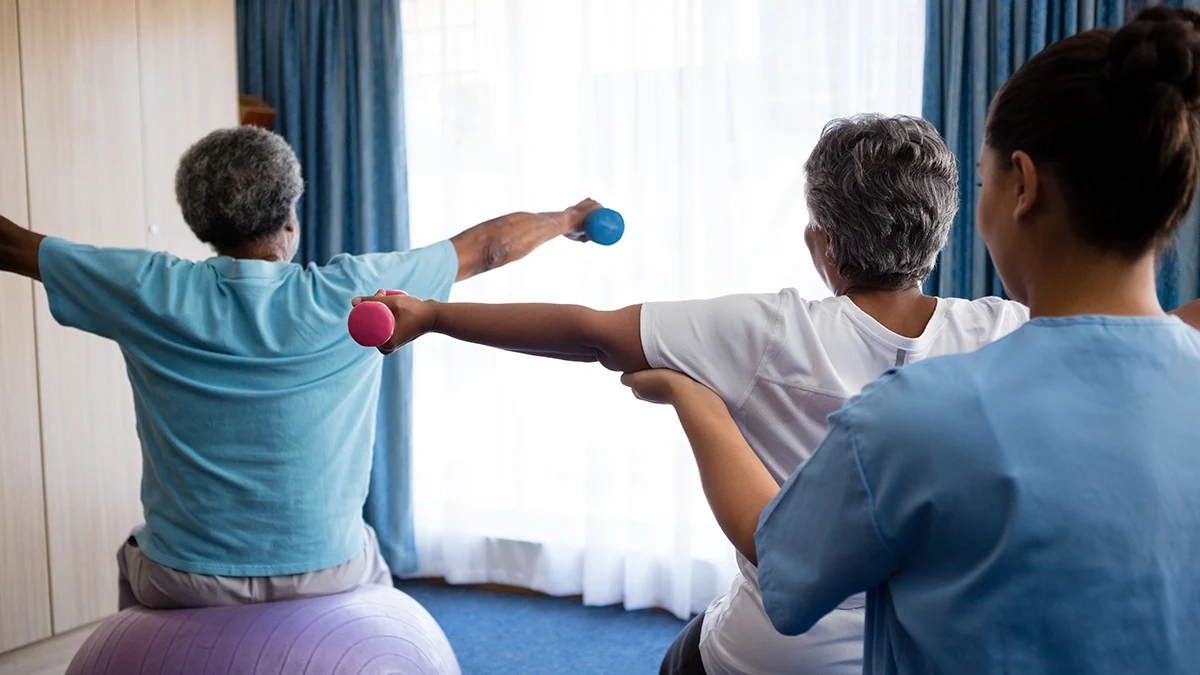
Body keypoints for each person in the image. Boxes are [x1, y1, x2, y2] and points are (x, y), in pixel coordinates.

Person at [620, 7, 1200, 675]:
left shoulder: (914, 413)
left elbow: (785, 576)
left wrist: (696, 401)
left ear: (1023, 185)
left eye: (981, 179)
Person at [355, 114, 1034, 675]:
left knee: (688, 655)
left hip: (777, 653)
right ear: (941, 230)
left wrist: (433, 315)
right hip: (935, 650)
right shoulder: (1006, 330)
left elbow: (589, 331)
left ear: (822, 242)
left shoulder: (769, 329)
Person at [0, 125, 599, 609]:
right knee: (372, 567)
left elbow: (12, 243)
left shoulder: (146, 289)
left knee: (134, 556)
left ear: (201, 225)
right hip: (329, 570)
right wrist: (570, 218)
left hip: (187, 580)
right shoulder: (358, 293)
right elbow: (488, 248)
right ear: (290, 219)